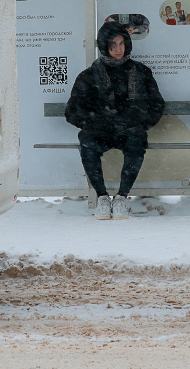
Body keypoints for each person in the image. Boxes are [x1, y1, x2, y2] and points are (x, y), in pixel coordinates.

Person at [65, 21, 165, 220]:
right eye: (113, 45)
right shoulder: (89, 76)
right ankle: (102, 197)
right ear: (104, 46)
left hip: (129, 130)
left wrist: (140, 124)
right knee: (88, 146)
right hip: (99, 131)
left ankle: (121, 197)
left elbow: (157, 104)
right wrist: (96, 122)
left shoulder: (141, 72)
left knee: (135, 146)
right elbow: (72, 110)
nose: (118, 49)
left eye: (122, 43)